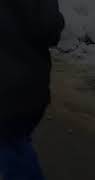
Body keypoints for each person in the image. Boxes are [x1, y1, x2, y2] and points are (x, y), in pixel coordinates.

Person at [0, 0, 65, 179]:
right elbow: (51, 28)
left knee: (12, 146)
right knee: (14, 144)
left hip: (15, 88)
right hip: (22, 86)